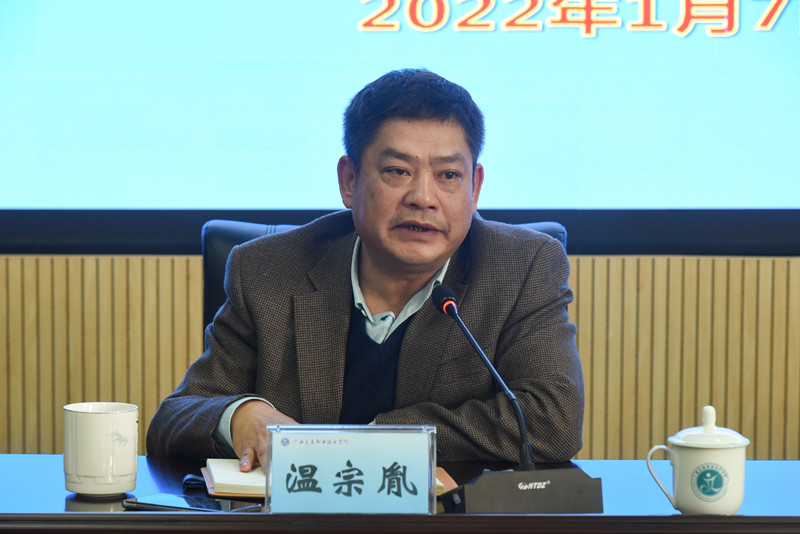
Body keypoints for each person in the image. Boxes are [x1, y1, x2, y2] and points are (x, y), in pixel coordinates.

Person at [146, 68, 584, 472]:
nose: (423, 197)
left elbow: (552, 421)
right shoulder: (268, 270)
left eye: (449, 175)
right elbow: (174, 419)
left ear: (475, 186)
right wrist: (240, 415)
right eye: (398, 171)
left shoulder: (522, 267)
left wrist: (373, 441)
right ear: (349, 180)